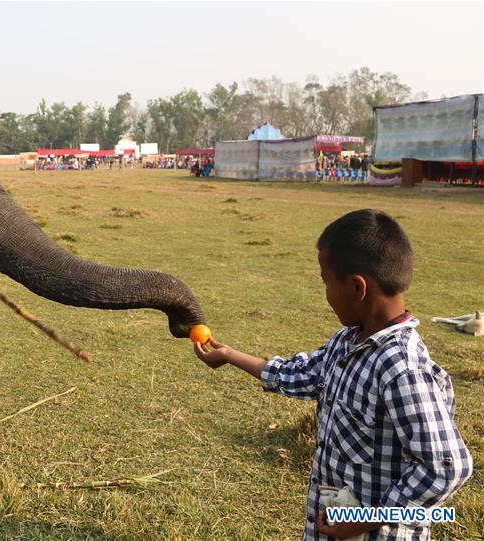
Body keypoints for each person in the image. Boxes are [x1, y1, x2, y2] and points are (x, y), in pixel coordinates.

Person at [193, 209, 473, 541]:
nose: (325, 293)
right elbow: (298, 375)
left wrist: (368, 518)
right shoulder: (348, 341)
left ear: (357, 287)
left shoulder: (402, 370)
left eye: (326, 280)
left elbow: (447, 467)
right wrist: (229, 356)